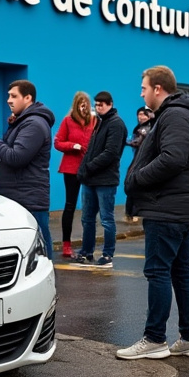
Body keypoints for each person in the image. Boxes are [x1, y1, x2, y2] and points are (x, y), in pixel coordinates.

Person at [117, 66, 189, 360]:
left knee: (158, 272)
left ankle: (155, 339)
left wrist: (138, 178)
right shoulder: (178, 114)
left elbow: (172, 158)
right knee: (181, 271)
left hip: (167, 208)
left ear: (158, 88)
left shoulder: (175, 115)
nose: (141, 93)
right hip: (178, 206)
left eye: (144, 88)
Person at [0, 80, 55, 251]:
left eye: (14, 96)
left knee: (39, 248)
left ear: (28, 98)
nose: (8, 100)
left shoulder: (34, 124)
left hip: (29, 199)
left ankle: (47, 276)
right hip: (19, 196)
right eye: (8, 96)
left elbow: (16, 157)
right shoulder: (24, 121)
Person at [73, 91, 127, 268]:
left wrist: (87, 168)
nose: (99, 107)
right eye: (96, 104)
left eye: (102, 104)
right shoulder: (100, 122)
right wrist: (82, 169)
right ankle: (86, 252)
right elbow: (90, 150)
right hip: (90, 180)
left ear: (110, 104)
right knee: (87, 219)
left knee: (106, 219)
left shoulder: (116, 124)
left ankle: (107, 255)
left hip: (106, 181)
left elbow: (110, 154)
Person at [54, 92, 96, 258]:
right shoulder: (68, 121)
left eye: (86, 102)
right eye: (81, 103)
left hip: (90, 168)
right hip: (71, 169)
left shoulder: (94, 121)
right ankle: (66, 245)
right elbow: (58, 142)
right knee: (70, 205)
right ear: (76, 105)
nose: (84, 106)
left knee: (90, 207)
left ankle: (88, 246)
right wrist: (73, 146)